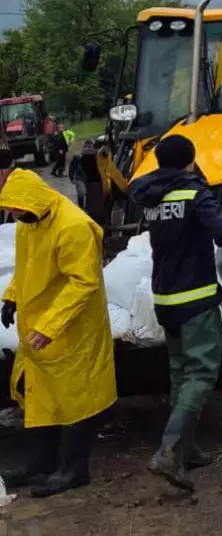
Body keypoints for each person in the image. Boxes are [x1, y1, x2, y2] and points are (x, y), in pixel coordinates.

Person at [128, 135, 222, 491]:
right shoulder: (194, 193)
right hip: (195, 298)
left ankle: (187, 447)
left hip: (164, 298)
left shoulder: (150, 196)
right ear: (189, 161)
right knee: (201, 372)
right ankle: (169, 450)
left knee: (181, 373)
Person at [0, 169, 116, 497]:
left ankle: (75, 469)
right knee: (42, 396)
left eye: (16, 209)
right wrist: (11, 296)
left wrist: (50, 326)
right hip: (41, 330)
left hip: (73, 330)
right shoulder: (30, 223)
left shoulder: (74, 226)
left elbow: (83, 283)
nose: (13, 216)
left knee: (75, 400)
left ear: (32, 201)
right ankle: (44, 460)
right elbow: (27, 265)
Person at [68, 141, 91, 207]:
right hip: (80, 177)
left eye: (89, 147)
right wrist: (72, 177)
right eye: (86, 147)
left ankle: (88, 207)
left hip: (90, 178)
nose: (88, 149)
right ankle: (81, 206)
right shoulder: (77, 157)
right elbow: (72, 168)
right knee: (81, 192)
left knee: (90, 194)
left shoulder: (95, 156)